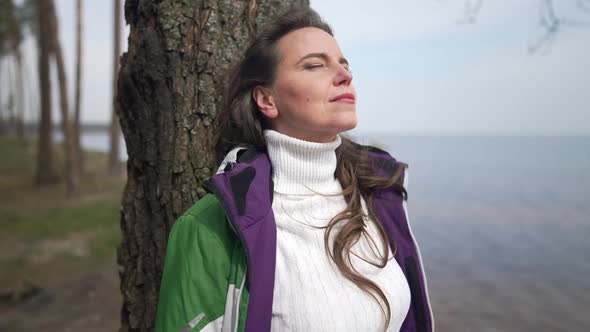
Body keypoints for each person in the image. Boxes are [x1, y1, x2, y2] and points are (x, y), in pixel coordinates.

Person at [154, 6, 433, 332]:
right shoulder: (210, 228)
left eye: (344, 64)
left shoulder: (378, 195)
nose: (345, 75)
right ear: (267, 100)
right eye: (315, 65)